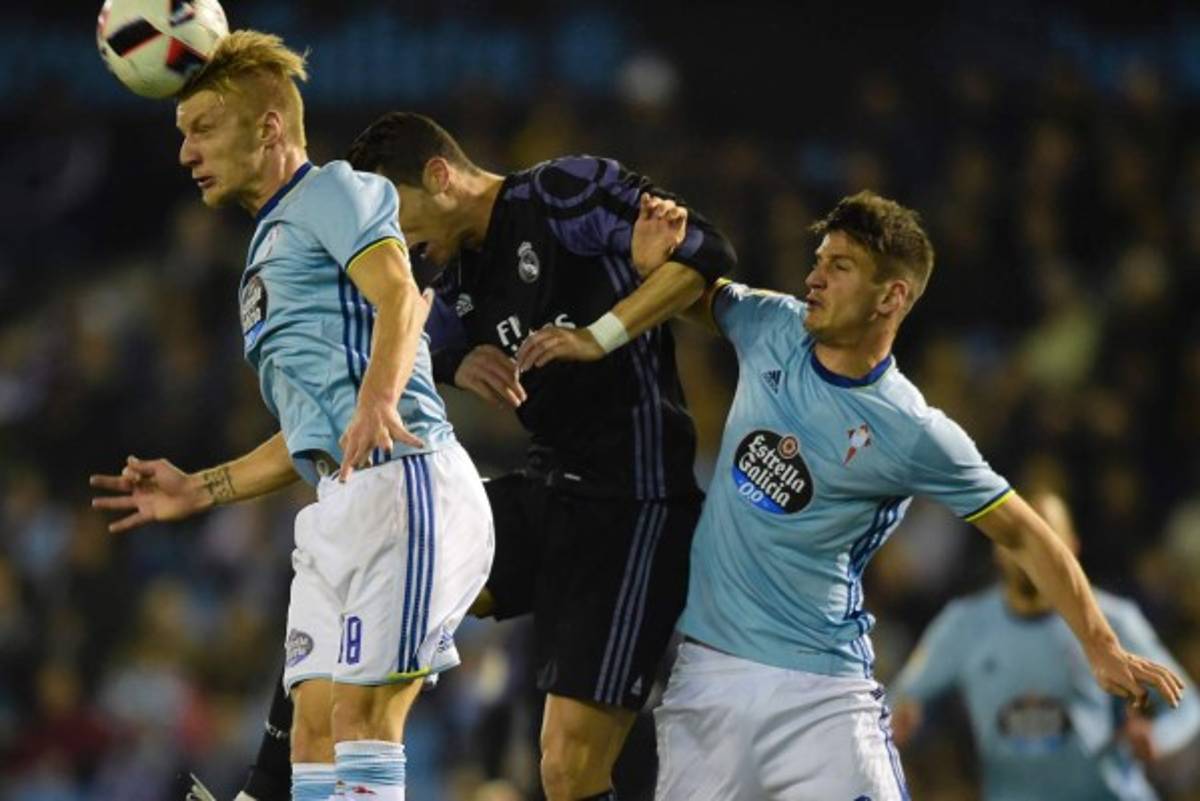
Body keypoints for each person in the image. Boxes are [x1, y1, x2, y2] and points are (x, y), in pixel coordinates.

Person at [650, 190, 1186, 801]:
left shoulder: (913, 430)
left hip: (822, 697)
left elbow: (1023, 532)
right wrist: (649, 260)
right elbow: (689, 293)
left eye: (839, 266)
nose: (813, 278)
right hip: (708, 677)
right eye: (819, 261)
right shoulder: (770, 324)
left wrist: (1101, 646)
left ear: (891, 297)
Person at [89, 32, 494, 801]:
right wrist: (199, 488)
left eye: (202, 128)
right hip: (340, 499)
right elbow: (311, 429)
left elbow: (400, 296)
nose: (185, 154)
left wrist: (379, 397)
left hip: (406, 482)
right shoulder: (269, 244)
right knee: (311, 737)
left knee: (361, 720)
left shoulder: (333, 191)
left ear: (270, 127)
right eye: (181, 135)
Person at [345, 112, 737, 801]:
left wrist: (601, 334)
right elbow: (402, 340)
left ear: (438, 175)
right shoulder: (447, 266)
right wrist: (458, 359)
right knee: (386, 567)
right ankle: (285, 780)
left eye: (395, 213)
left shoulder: (563, 194)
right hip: (547, 489)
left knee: (567, 771)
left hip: (635, 507)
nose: (395, 237)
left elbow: (706, 251)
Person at [890, 490, 1200, 800]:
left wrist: (1157, 737)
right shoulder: (964, 625)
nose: (1034, 552)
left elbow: (1187, 705)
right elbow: (898, 701)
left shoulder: (1113, 622)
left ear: (1072, 548)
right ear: (998, 548)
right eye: (1020, 538)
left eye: (1047, 538)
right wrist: (902, 719)